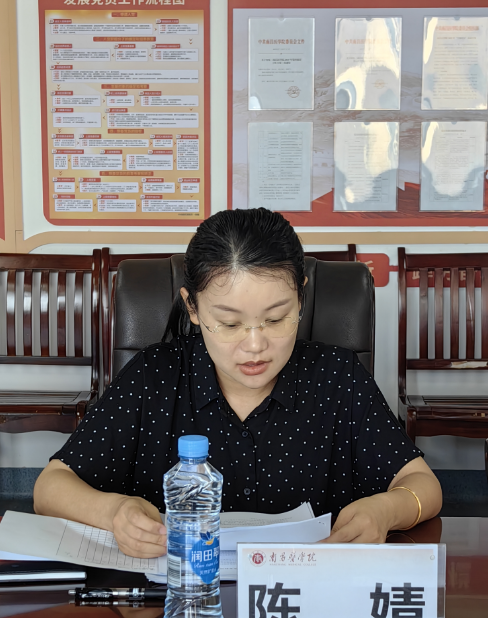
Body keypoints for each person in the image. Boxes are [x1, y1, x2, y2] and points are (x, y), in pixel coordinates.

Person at [34, 208, 442, 558]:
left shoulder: (337, 376)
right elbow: (50, 487)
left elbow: (423, 485)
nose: (255, 345)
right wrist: (114, 513)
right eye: (229, 324)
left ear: (301, 298)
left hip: (300, 603)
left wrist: (386, 511)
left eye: (276, 318)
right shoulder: (153, 376)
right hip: (182, 600)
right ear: (193, 307)